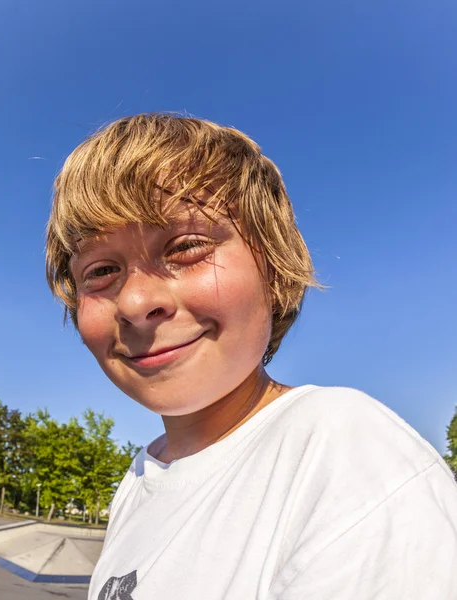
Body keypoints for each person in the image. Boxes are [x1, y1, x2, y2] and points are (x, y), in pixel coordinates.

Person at [45, 113, 457, 599]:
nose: (136, 303)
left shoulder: (342, 449)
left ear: (275, 272)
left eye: (187, 246)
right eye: (101, 270)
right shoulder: (141, 477)